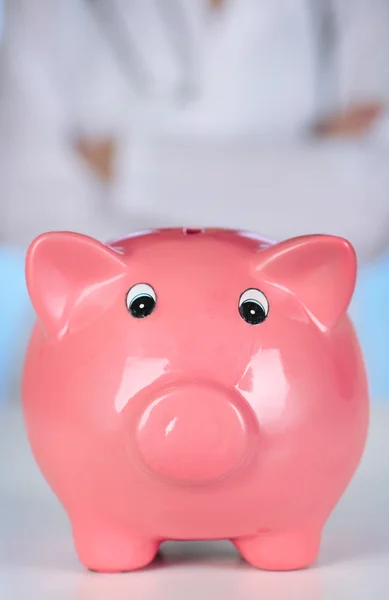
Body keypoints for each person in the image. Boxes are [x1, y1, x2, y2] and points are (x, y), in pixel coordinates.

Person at [0, 0, 389, 263]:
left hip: (296, 364)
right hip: (103, 360)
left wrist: (126, 168)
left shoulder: (364, 12)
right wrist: (306, 168)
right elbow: (27, 208)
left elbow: (367, 209)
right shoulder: (49, 10)